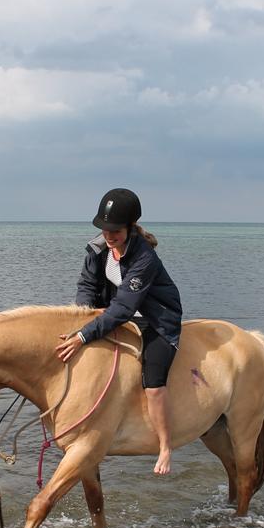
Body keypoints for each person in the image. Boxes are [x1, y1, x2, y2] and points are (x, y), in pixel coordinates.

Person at [54, 188, 183, 476]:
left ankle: (165, 446)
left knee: (153, 383)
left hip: (155, 320)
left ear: (129, 228)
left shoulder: (144, 258)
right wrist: (83, 318)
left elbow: (124, 307)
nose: (108, 235)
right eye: (104, 228)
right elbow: (87, 286)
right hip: (114, 315)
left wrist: (85, 333)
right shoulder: (98, 250)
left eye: (115, 230)